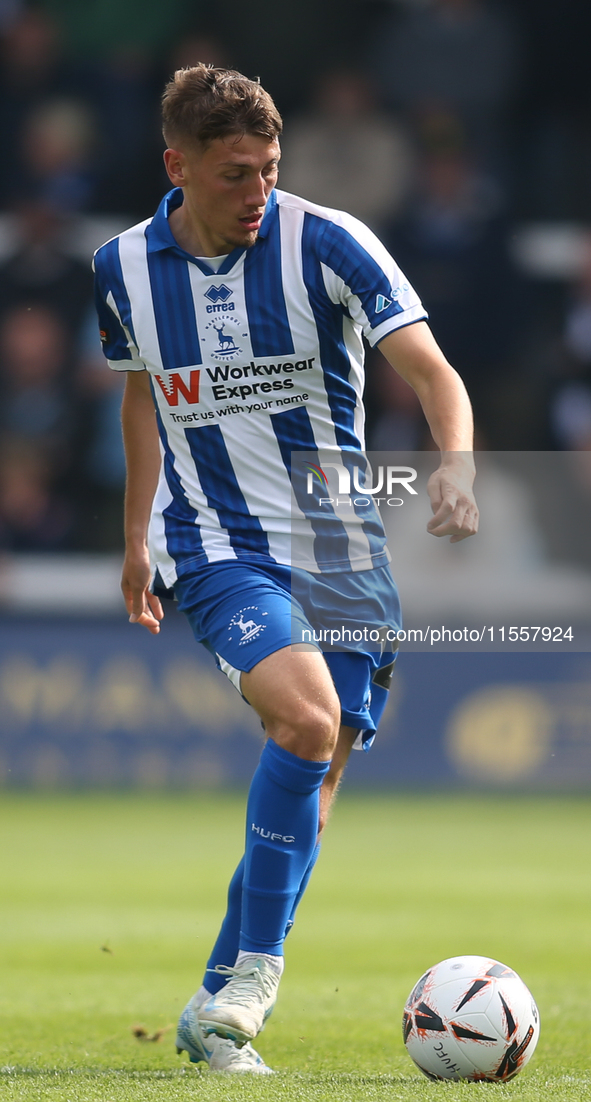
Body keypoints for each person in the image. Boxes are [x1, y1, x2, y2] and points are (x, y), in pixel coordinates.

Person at [93, 64, 478, 1074]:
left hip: (344, 552)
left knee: (312, 787)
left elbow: (434, 371)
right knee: (305, 719)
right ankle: (255, 982)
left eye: (269, 169)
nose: (258, 192)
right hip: (218, 544)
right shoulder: (120, 268)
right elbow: (141, 396)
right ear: (177, 167)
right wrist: (137, 536)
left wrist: (456, 469)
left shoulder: (331, 241)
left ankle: (218, 1010)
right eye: (234, 174)